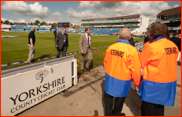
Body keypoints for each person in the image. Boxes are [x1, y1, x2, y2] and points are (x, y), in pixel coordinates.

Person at [139, 23, 179, 116]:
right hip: (169, 81)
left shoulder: (152, 46)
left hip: (154, 82)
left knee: (148, 110)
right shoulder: (172, 45)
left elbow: (140, 63)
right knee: (160, 109)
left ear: (152, 33)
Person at [103, 28, 141, 116]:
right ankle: (116, 114)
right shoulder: (132, 50)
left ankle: (108, 114)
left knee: (108, 98)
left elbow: (105, 63)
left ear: (118, 36)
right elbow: (135, 69)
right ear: (130, 37)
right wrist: (138, 84)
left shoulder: (111, 47)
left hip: (110, 77)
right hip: (123, 80)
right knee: (119, 100)